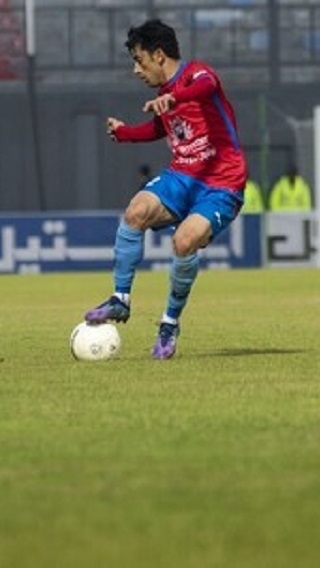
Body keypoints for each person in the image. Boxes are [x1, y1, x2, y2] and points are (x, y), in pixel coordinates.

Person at [83, 19, 247, 359]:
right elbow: (159, 128)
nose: (135, 70)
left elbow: (205, 88)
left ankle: (169, 324)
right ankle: (120, 299)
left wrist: (174, 97)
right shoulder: (164, 95)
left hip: (222, 182)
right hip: (181, 176)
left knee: (184, 241)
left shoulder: (198, 75)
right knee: (136, 211)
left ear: (159, 55)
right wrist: (125, 133)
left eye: (139, 60)